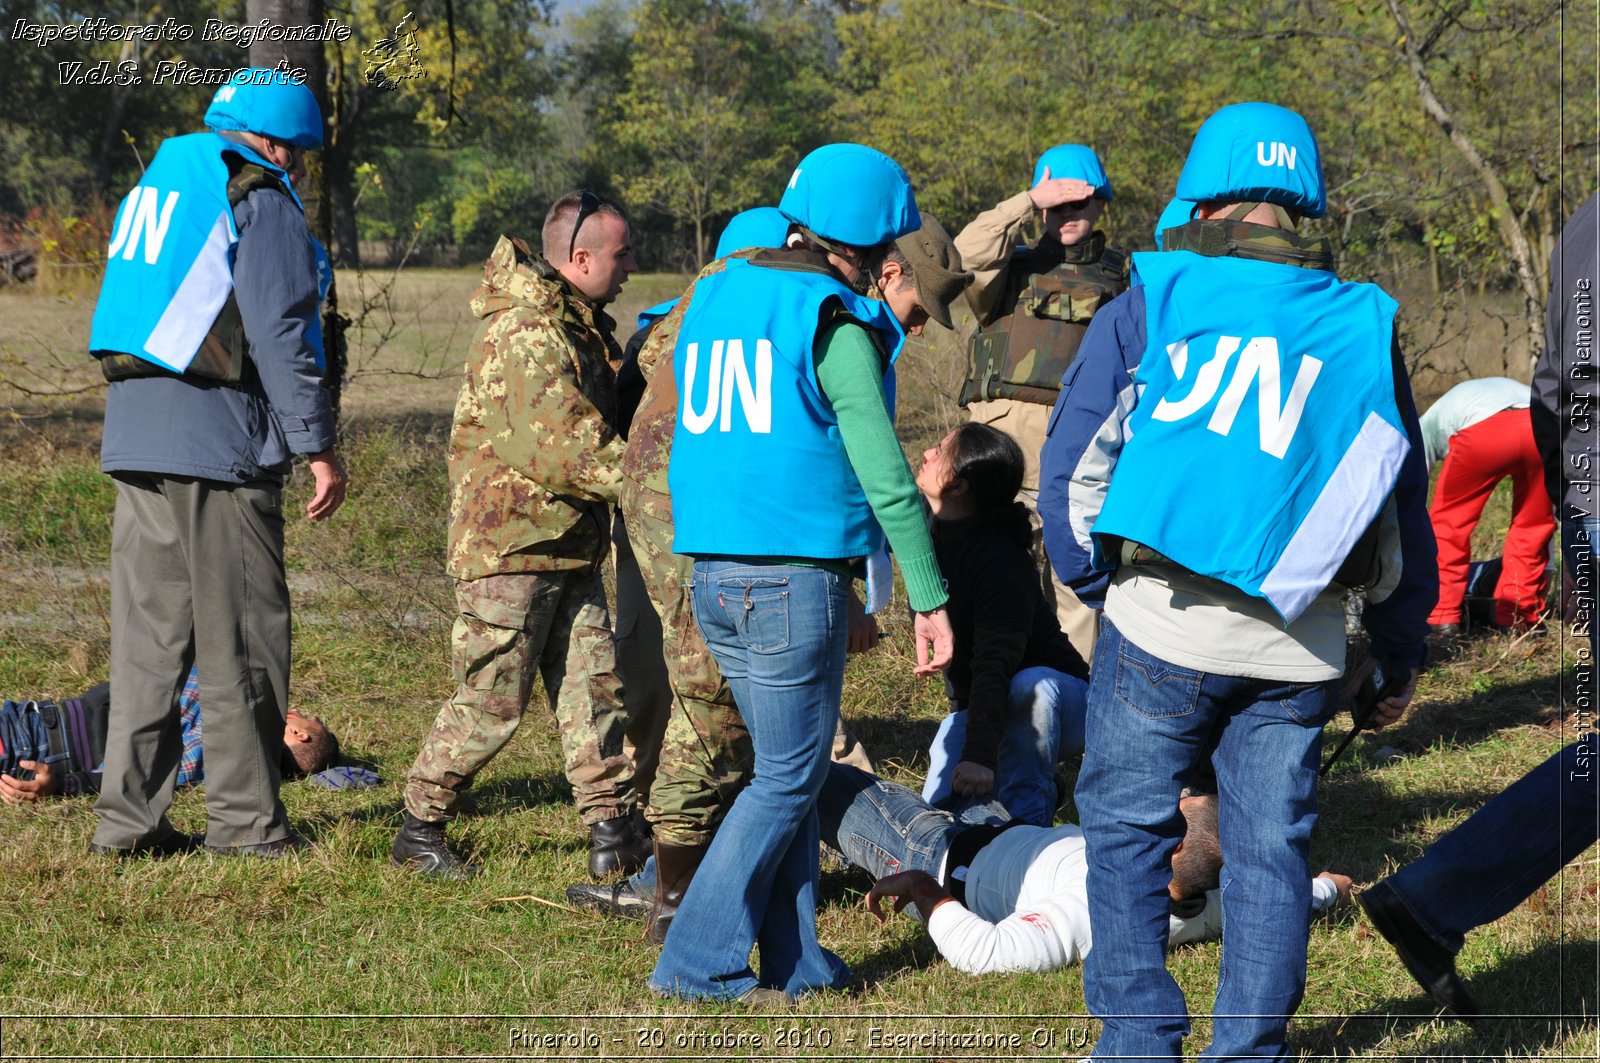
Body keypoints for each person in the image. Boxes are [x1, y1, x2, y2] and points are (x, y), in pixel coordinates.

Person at [1038, 102, 1436, 1060]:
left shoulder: (1153, 296)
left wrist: (1102, 591)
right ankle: (1251, 1049)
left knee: (1127, 831)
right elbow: (1398, 503)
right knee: (1269, 851)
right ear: (1305, 203)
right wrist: (1395, 641)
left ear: (1203, 193)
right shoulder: (1362, 322)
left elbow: (1069, 478)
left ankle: (1136, 1037)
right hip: (1301, 643)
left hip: (1158, 623)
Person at [607, 206, 971, 946]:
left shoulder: (718, 301)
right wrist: (927, 595)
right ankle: (694, 952)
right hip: (788, 582)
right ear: (873, 259)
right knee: (785, 780)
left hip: (714, 567)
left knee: (785, 775)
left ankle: (795, 955)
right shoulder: (834, 324)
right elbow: (885, 479)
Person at [86, 68, 347, 859]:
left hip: (134, 435)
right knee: (244, 635)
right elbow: (280, 330)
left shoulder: (161, 186)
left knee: (147, 640)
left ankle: (125, 822)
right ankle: (246, 824)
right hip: (217, 444)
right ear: (276, 143)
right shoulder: (256, 196)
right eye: (297, 151)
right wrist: (317, 444)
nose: (296, 166)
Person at [1360, 192, 1600, 1020]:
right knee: (1494, 533)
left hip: (1553, 447)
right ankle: (1436, 895)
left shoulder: (1582, 223)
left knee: (1457, 531)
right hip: (1552, 452)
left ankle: (1433, 898)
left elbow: (1556, 382)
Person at [391, 191, 651, 882]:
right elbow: (565, 447)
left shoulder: (570, 323)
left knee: (592, 689)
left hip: (562, 538)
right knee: (491, 701)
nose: (631, 266)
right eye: (622, 254)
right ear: (581, 257)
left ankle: (614, 827)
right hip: (511, 549)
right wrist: (654, 482)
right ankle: (420, 824)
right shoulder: (530, 332)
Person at [955, 144, 1127, 663]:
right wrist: (1027, 200)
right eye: (1057, 205)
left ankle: (1072, 713)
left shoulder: (1124, 277)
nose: (1067, 214)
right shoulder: (1007, 270)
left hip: (1081, 458)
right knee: (992, 582)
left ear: (1100, 206)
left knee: (1076, 592)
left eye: (1079, 203)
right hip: (1000, 458)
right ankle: (986, 707)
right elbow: (962, 256)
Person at [914, 421, 1089, 826]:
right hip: (987, 706)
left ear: (958, 486)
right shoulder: (925, 525)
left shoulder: (1001, 562)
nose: (926, 454)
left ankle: (1030, 825)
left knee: (1029, 690)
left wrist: (978, 756)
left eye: (940, 451)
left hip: (1062, 699)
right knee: (939, 810)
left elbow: (994, 663)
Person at [0, 670, 340, 804]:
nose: (294, 709)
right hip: (33, 724)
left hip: (37, 741)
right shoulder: (237, 704)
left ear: (297, 733)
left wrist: (62, 786)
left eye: (306, 718)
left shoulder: (234, 738)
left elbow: (143, 775)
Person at [1420, 377, 1554, 634]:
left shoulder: (1425, 425)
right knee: (1534, 524)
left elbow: (1412, 488)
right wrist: (1549, 567)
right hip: (1542, 426)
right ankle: (1517, 617)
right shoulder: (1513, 389)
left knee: (1449, 524)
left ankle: (1443, 616)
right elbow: (1548, 514)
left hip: (1483, 430)